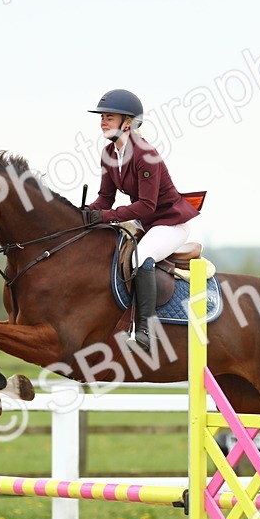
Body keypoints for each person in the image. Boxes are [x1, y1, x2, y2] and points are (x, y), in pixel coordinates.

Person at [82, 88, 199, 350]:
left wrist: (106, 216)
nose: (103, 122)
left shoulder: (146, 154)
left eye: (109, 117)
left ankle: (145, 330)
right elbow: (105, 199)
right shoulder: (109, 154)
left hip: (169, 222)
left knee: (139, 258)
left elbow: (146, 206)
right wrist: (83, 214)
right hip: (146, 221)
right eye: (102, 117)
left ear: (128, 123)